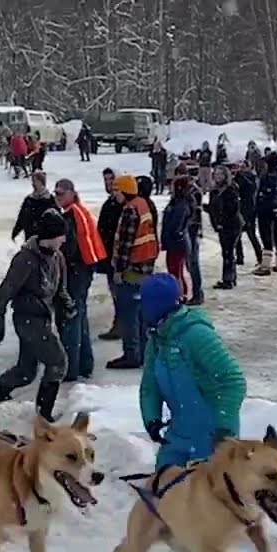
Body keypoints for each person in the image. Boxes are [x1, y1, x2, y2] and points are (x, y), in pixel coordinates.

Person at [0, 209, 73, 421]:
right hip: (27, 320)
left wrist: (67, 305)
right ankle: (44, 415)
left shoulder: (58, 258)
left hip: (43, 319)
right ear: (50, 236)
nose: (64, 239)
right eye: (61, 235)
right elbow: (4, 292)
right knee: (58, 362)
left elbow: (60, 290)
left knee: (25, 372)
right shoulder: (25, 259)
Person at [137, 273, 245, 469]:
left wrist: (224, 428)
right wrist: (152, 419)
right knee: (164, 487)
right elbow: (150, 387)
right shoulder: (157, 341)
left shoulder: (197, 335)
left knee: (207, 495)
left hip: (213, 436)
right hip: (179, 433)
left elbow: (233, 381)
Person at [54, 179, 104, 382]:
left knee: (71, 319)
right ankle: (84, 364)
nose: (57, 197)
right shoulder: (79, 211)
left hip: (76, 272)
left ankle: (71, 367)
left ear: (72, 193)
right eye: (55, 193)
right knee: (79, 318)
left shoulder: (71, 216)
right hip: (83, 269)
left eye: (61, 193)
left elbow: (71, 248)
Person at [107, 174, 159, 370]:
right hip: (145, 268)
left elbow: (126, 244)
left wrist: (119, 270)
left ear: (124, 191)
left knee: (128, 314)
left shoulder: (130, 210)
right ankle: (144, 352)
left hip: (132, 269)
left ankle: (131, 354)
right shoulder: (143, 204)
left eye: (116, 191)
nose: (114, 195)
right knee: (141, 315)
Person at [96, 168, 123, 342]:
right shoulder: (110, 203)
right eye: (105, 180)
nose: (108, 183)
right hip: (109, 256)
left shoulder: (122, 204)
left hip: (119, 257)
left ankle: (122, 325)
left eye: (111, 179)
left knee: (121, 293)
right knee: (116, 292)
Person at [208, 166, 243, 290]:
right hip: (222, 225)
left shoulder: (231, 190)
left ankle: (228, 279)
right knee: (227, 252)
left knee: (228, 252)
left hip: (231, 225)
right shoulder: (215, 191)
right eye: (216, 174)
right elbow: (213, 208)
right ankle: (230, 278)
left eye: (220, 174)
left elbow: (232, 209)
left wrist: (222, 222)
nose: (218, 176)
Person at [253, 152, 277, 275]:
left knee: (266, 235)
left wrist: (258, 206)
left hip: (266, 209)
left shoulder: (266, 177)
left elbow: (261, 194)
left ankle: (265, 265)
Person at [160, 176, 194, 297]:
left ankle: (180, 295)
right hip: (175, 242)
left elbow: (175, 225)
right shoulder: (176, 202)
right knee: (175, 270)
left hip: (177, 243)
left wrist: (170, 237)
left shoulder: (181, 205)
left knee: (175, 271)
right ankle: (181, 293)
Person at [11, 171, 59, 242]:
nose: (32, 184)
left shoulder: (50, 200)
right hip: (30, 237)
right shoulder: (29, 199)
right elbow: (22, 216)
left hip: (45, 238)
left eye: (35, 181)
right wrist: (16, 231)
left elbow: (58, 221)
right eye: (32, 181)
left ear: (41, 182)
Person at [235, 161, 260, 266]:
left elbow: (251, 189)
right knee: (238, 236)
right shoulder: (238, 178)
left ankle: (260, 256)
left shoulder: (252, 177)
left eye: (243, 167)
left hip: (250, 210)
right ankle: (240, 257)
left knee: (252, 235)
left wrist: (241, 177)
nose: (241, 169)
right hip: (240, 209)